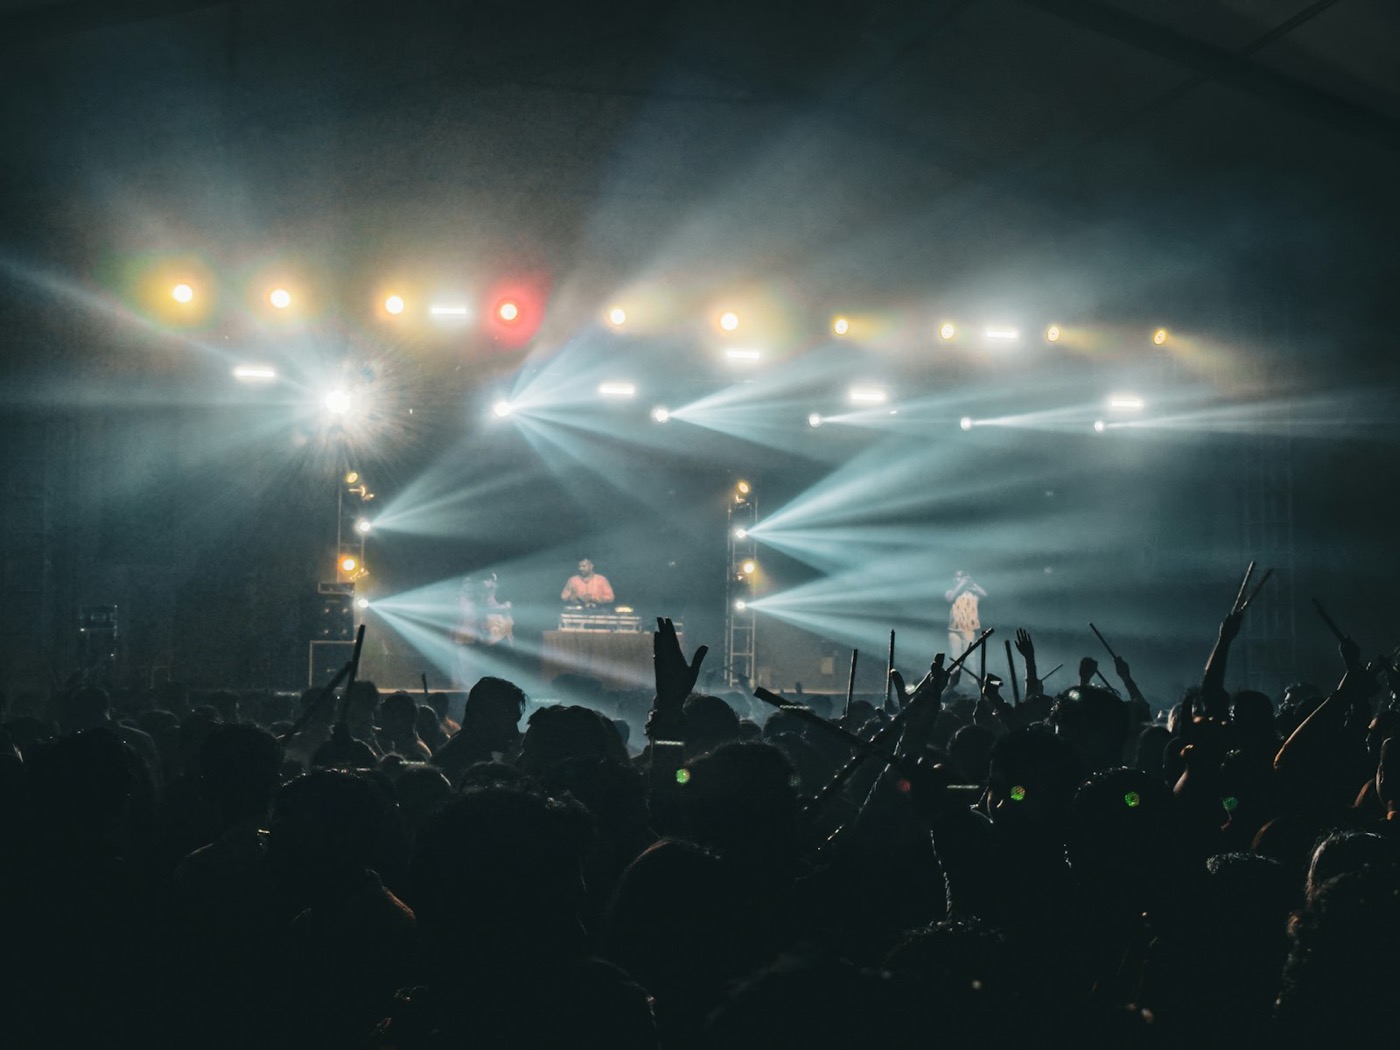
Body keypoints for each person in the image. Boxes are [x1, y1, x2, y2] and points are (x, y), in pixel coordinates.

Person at [452, 573, 513, 688]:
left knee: (496, 666)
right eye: (466, 583)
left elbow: (496, 610)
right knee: (467, 666)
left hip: (491, 637)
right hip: (471, 637)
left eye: (491, 581)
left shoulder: (493, 598)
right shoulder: (464, 600)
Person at [945, 570, 986, 659]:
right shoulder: (950, 591)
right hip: (954, 630)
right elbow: (949, 598)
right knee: (955, 658)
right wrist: (961, 584)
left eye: (963, 577)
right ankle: (955, 673)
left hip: (969, 630)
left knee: (970, 657)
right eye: (958, 577)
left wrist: (973, 583)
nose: (961, 579)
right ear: (953, 579)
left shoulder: (973, 593)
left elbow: (985, 595)